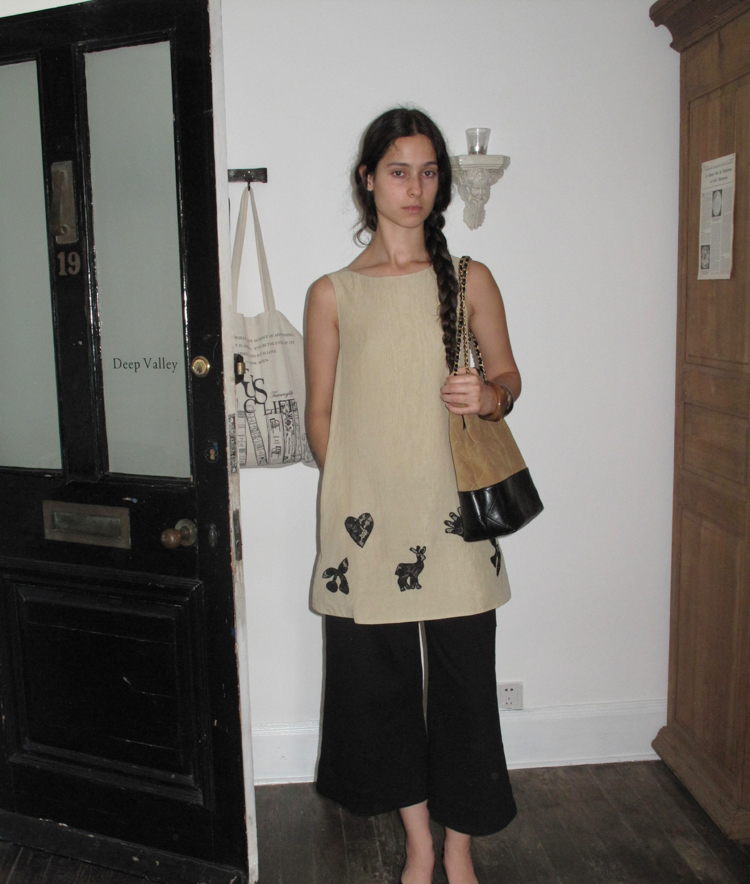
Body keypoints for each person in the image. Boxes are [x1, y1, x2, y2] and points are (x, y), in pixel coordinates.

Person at [304, 107, 520, 884]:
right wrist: (355, 492)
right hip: (368, 527)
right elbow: (320, 416)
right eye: (399, 171)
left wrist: (489, 397)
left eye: (429, 172)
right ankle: (420, 846)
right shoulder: (333, 294)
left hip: (454, 517)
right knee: (383, 693)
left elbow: (508, 376)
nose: (415, 188)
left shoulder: (469, 279)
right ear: (368, 179)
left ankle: (459, 850)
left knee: (465, 690)